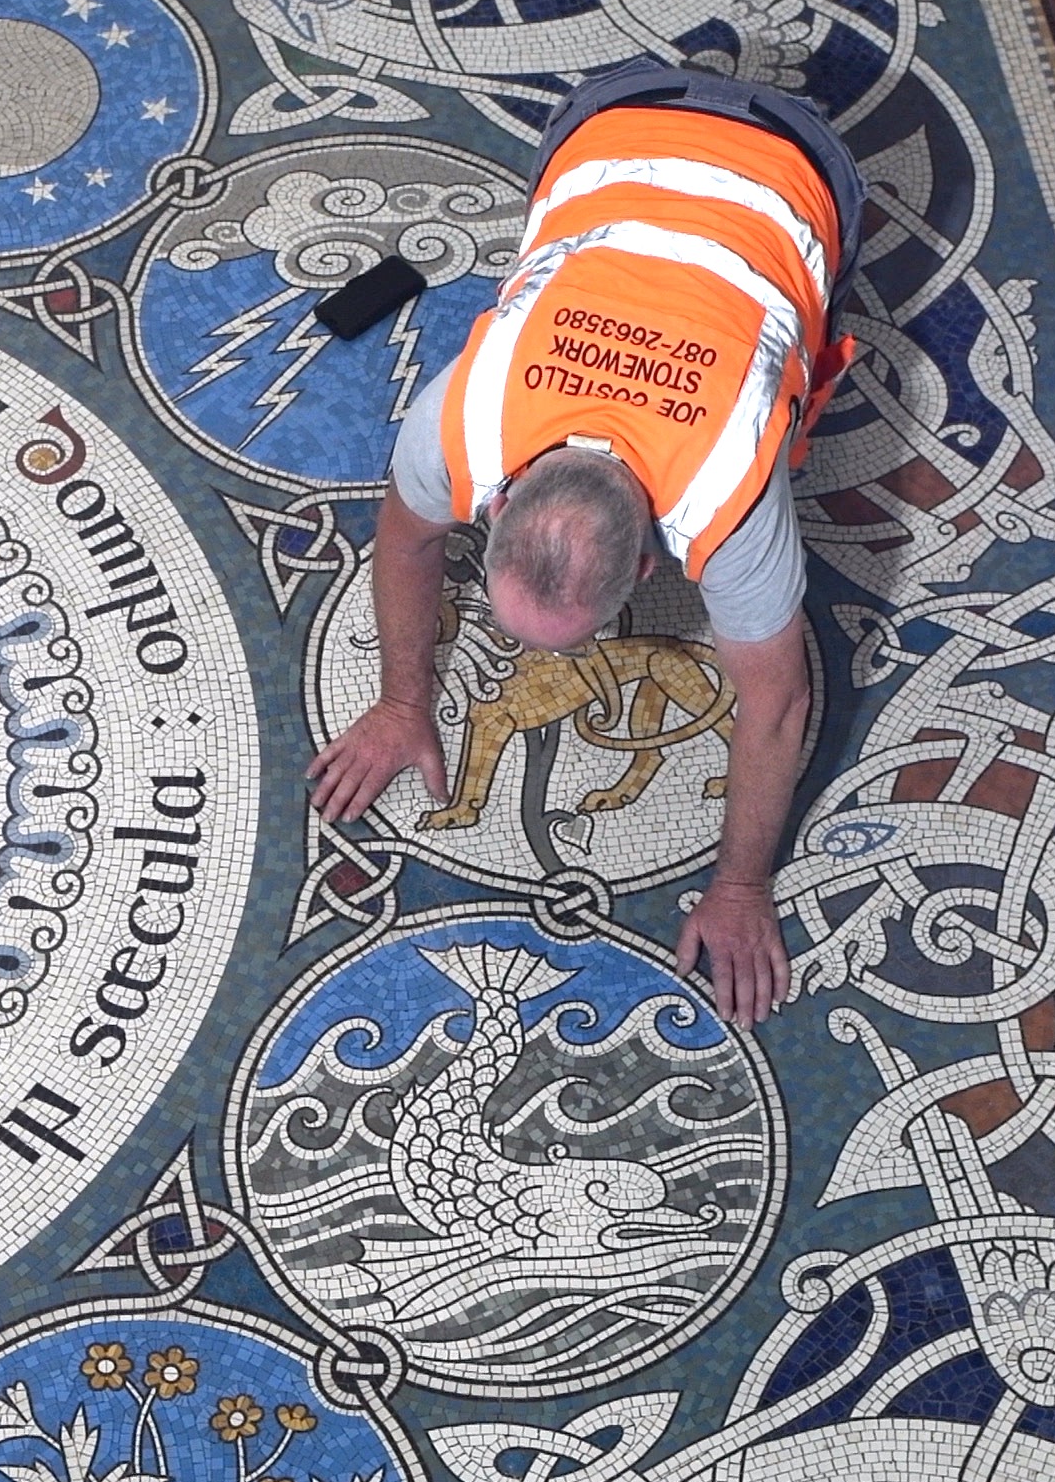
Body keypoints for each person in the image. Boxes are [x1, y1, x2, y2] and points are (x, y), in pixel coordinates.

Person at [307, 61, 863, 1027]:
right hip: (605, 125)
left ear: (655, 567)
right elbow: (401, 547)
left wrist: (739, 889)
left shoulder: (729, 498)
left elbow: (779, 707)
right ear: (497, 501)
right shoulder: (458, 426)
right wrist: (401, 704)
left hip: (804, 167)